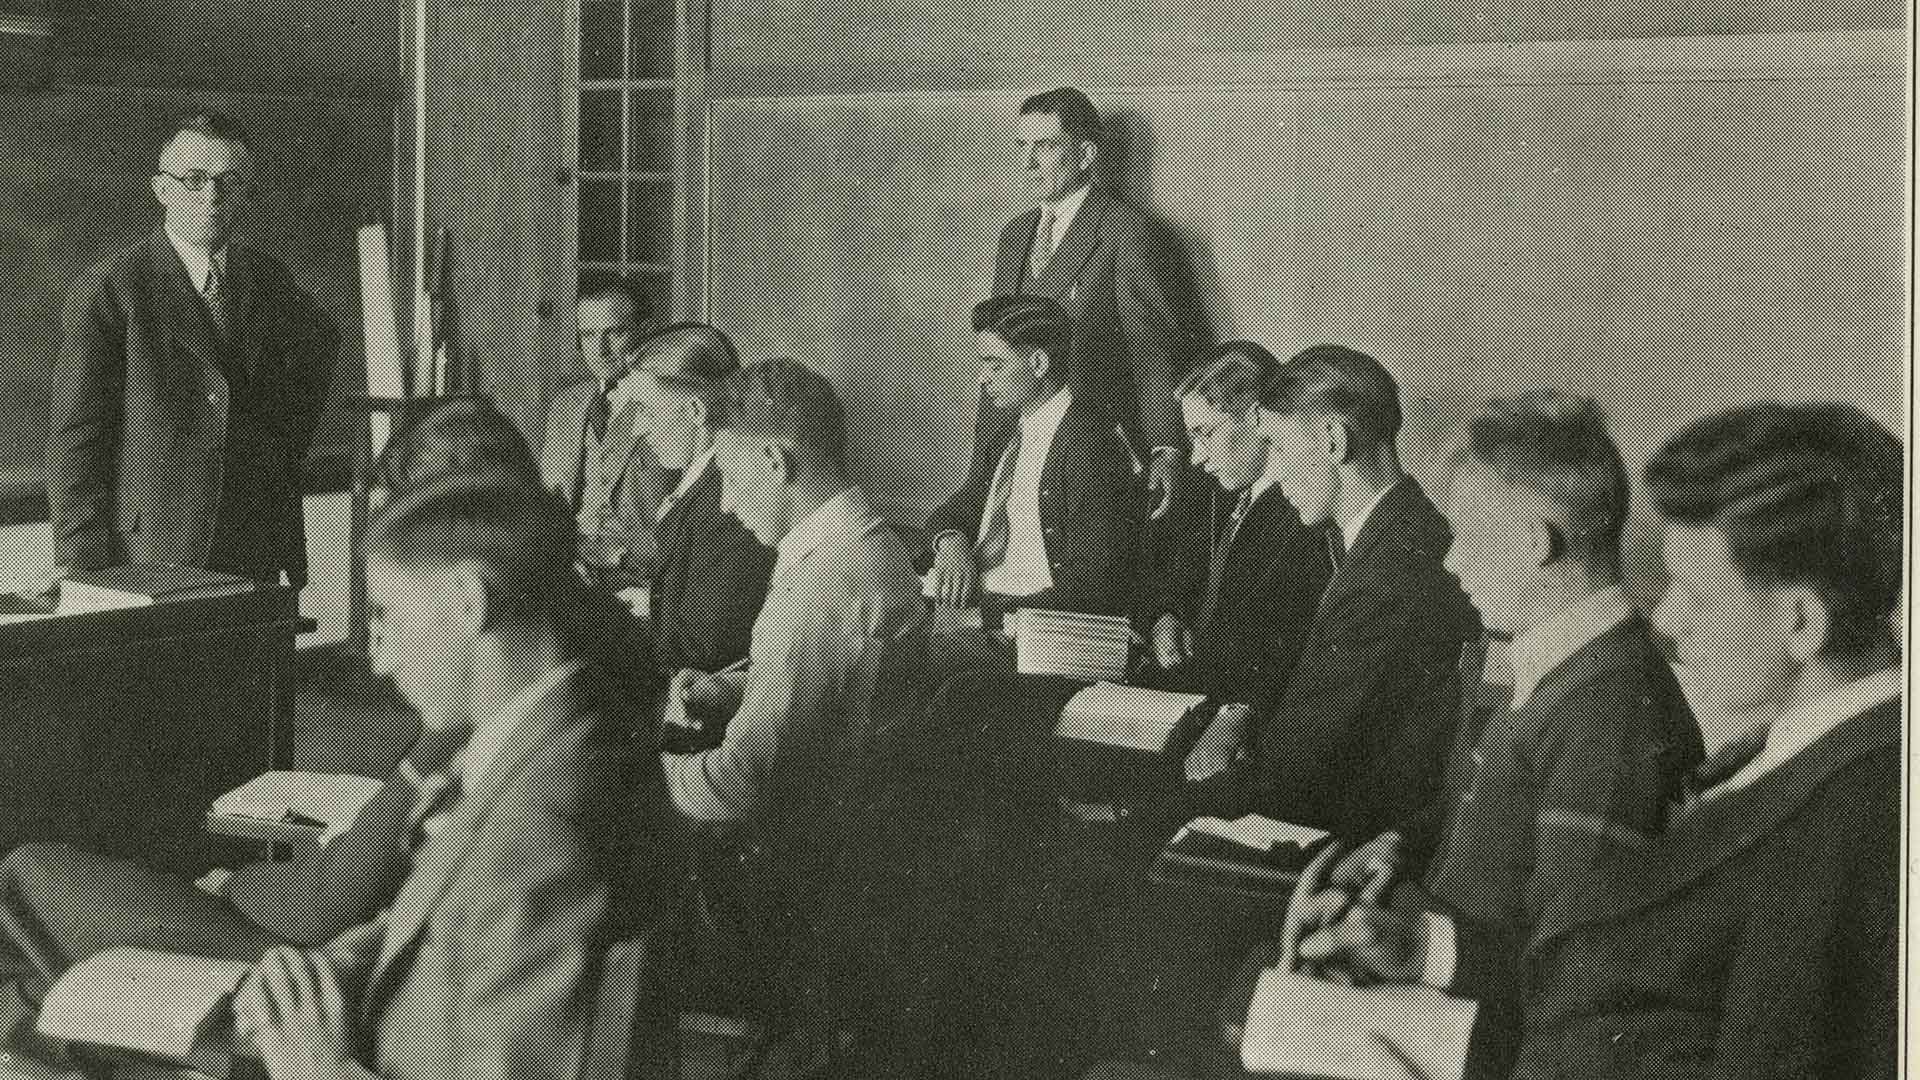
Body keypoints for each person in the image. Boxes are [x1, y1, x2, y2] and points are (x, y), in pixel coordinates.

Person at [0, 400, 559, 993]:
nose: (381, 660)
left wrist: (267, 992)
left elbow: (379, 946)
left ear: (469, 588)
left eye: (389, 616)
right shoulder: (519, 694)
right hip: (298, 924)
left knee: (32, 887)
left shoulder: (531, 767)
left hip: (294, 977)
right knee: (37, 886)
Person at [1273, 390, 1702, 1077]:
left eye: (1466, 535)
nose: (1451, 562)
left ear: (1536, 543)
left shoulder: (1610, 713)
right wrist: (1396, 848)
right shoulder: (1568, 665)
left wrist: (1425, 949)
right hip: (1448, 1004)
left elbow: (1578, 976)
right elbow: (1492, 815)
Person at [1505, 402, 1900, 1080]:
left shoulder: (1851, 822)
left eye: (1694, 592)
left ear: (1801, 621)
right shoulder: (1819, 755)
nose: (1666, 617)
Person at [1182, 344, 1479, 841]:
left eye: (1277, 446)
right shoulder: (1384, 535)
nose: (1273, 470)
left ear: (1332, 441)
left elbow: (1300, 762)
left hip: (1346, 844)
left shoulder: (1391, 569)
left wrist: (1166, 800)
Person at [48, 111, 338, 587]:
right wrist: (80, 561)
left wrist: (275, 456)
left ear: (245, 194)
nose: (212, 198)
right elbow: (78, 433)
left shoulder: (270, 281)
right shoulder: (113, 287)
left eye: (229, 183)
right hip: (149, 551)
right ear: (162, 191)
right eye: (194, 181)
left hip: (253, 541)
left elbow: (318, 354)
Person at [660, 356, 923, 834]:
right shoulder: (867, 539)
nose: (728, 504)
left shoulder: (823, 579)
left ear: (774, 463)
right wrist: (734, 688)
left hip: (798, 848)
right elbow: (841, 686)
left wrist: (637, 776)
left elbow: (740, 784)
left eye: (732, 480)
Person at [970, 87, 1197, 522]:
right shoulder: (1015, 235)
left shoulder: (1122, 229)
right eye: (1023, 147)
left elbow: (1150, 353)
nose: (1028, 163)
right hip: (1020, 438)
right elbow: (999, 351)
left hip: (1090, 450)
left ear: (1086, 154)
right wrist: (984, 460)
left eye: (1045, 147)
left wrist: (1166, 448)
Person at [922, 294, 1145, 649]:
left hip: (1043, 633)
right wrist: (951, 541)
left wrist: (983, 617)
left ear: (1039, 363)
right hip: (990, 613)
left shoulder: (1089, 442)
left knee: (908, 665)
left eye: (994, 365)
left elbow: (1091, 583)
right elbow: (959, 507)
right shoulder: (1011, 432)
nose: (983, 379)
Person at [631, 324, 774, 684]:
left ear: (695, 411)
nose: (637, 429)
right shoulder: (700, 481)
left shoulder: (728, 502)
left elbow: (700, 649)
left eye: (646, 410)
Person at [541, 287, 676, 589]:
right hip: (569, 574)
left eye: (614, 332)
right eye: (587, 335)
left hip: (643, 583)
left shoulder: (671, 406)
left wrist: (615, 557)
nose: (599, 350)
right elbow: (548, 504)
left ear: (644, 331)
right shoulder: (566, 405)